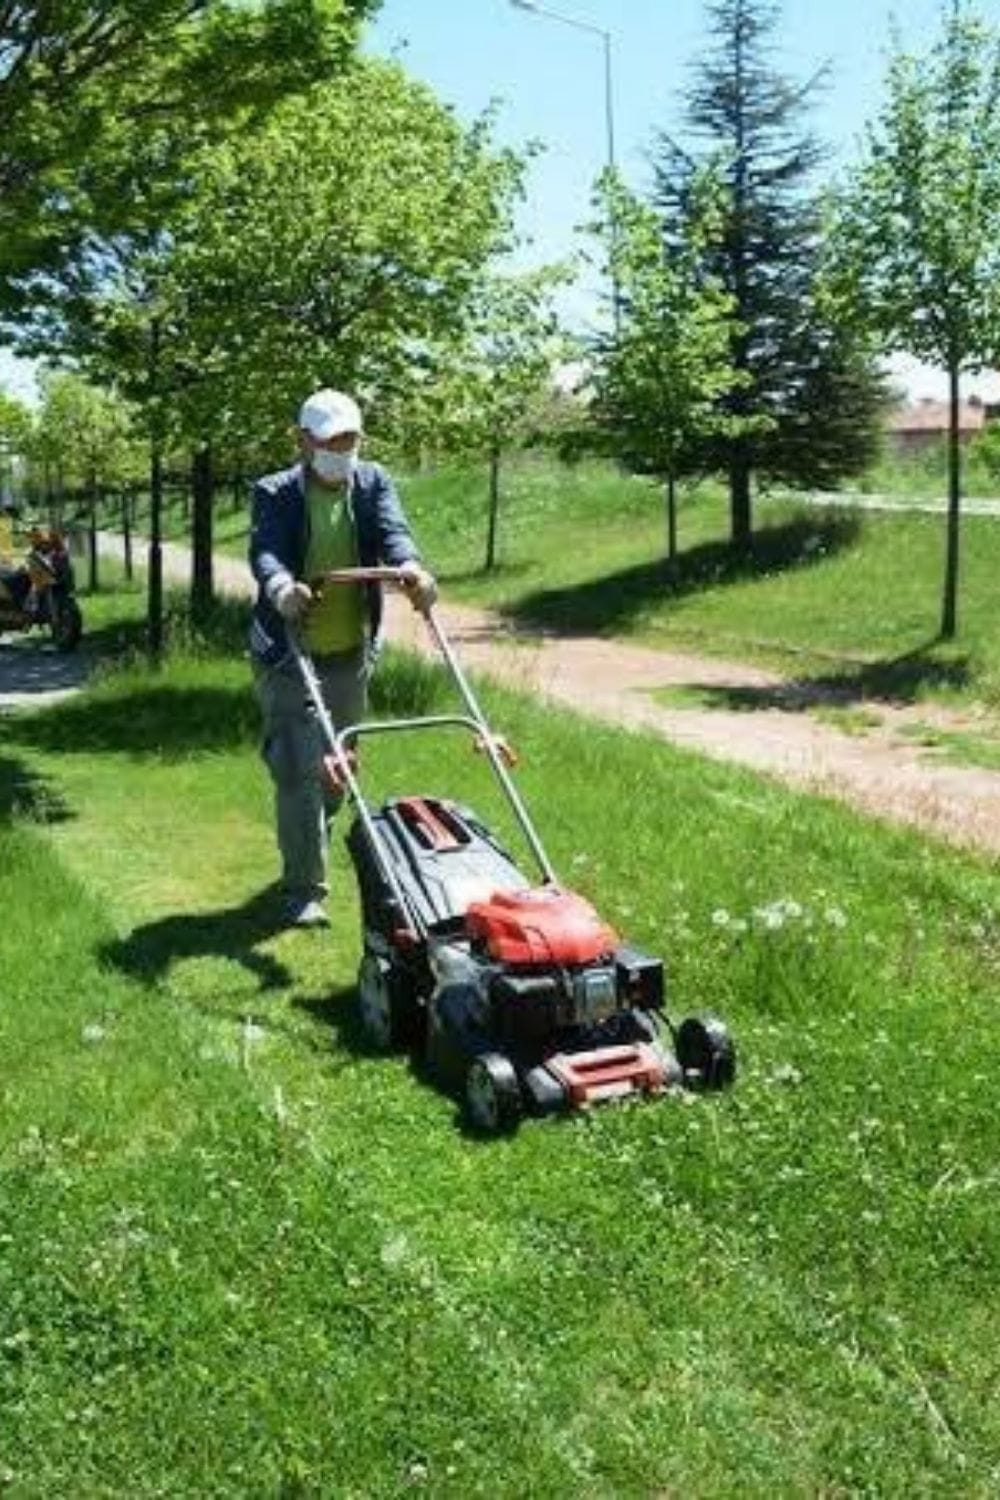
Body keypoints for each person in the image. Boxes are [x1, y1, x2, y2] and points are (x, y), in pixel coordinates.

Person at [249, 387, 437, 929]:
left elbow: (393, 533)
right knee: (297, 768)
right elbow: (266, 548)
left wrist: (413, 571)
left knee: (337, 768)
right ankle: (304, 888)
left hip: (348, 651)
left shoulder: (373, 481)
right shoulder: (276, 490)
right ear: (304, 440)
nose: (344, 448)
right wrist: (283, 588)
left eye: (351, 438)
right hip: (288, 652)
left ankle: (312, 838)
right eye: (333, 440)